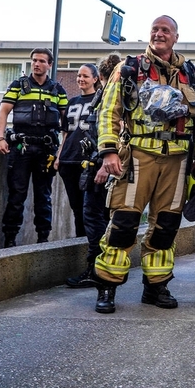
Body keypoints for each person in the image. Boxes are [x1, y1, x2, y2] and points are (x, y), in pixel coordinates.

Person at [93, 16, 195, 313]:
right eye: (155, 30)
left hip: (178, 160)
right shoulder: (129, 68)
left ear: (175, 37)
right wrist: (108, 153)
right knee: (124, 223)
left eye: (165, 30)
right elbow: (109, 111)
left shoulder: (189, 72)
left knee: (166, 226)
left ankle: (156, 287)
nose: (159, 34)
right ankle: (107, 286)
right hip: (137, 156)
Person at [0, 49, 68, 248]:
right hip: (21, 147)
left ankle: (43, 240)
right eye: (34, 60)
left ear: (49, 65)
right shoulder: (18, 85)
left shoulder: (58, 89)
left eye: (41, 61)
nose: (36, 64)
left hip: (46, 150)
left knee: (43, 196)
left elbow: (66, 124)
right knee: (17, 195)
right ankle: (10, 239)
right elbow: (3, 112)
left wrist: (61, 151)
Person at [66, 53, 122, 288]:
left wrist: (102, 166)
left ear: (100, 76)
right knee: (97, 218)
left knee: (94, 219)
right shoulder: (109, 94)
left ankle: (96, 270)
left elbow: (114, 130)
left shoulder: (110, 96)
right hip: (99, 164)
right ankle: (99, 269)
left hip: (101, 166)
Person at [56, 63, 99, 238]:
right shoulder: (72, 102)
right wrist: (59, 156)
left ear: (95, 79)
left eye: (85, 76)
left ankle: (91, 245)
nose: (81, 79)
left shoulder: (100, 101)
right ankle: (79, 242)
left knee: (90, 208)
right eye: (79, 76)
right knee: (76, 207)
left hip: (89, 162)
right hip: (68, 161)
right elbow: (66, 133)